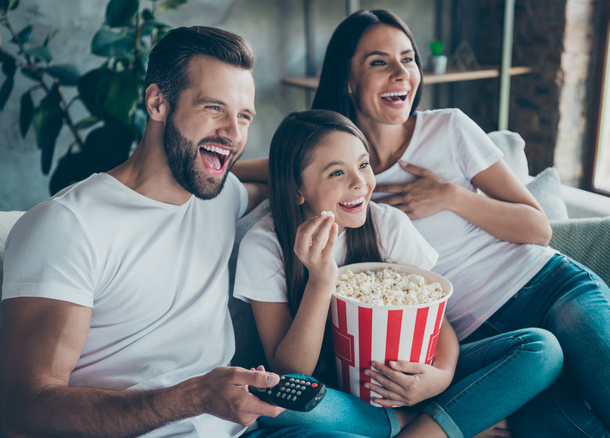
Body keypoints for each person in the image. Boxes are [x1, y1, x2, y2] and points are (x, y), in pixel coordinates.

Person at [306, 8, 610, 437]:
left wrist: (452, 197)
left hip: (550, 288)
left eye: (408, 58)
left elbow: (538, 227)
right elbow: (278, 163)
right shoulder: (340, 174)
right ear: (347, 80)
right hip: (498, 345)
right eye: (379, 62)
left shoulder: (449, 129)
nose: (401, 73)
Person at [0, 26, 363, 438]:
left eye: (243, 116)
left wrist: (352, 171)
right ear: (157, 102)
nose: (234, 133)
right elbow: (22, 411)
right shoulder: (67, 226)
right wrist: (194, 397)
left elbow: (288, 174)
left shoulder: (219, 197)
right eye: (214, 108)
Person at [233, 109, 564, 438]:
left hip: (416, 380)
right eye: (336, 173)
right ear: (296, 189)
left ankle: (419, 422)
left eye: (363, 165)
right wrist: (320, 281)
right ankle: (424, 425)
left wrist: (441, 376)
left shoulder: (387, 224)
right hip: (338, 398)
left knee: (542, 350)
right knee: (279, 401)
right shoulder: (265, 245)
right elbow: (292, 371)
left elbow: (436, 318)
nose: (359, 183)